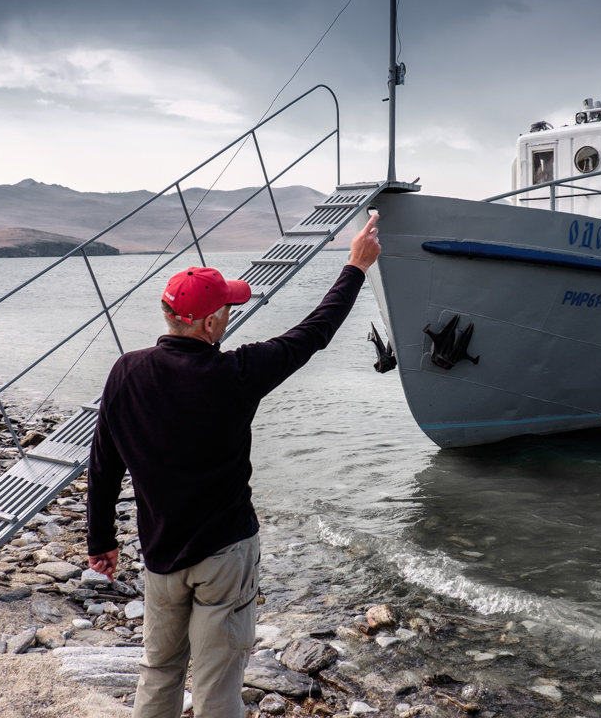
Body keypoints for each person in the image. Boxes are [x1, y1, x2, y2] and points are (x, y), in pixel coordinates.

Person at [86, 213, 381, 718]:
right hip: (225, 554)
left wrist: (102, 540)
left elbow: (104, 463)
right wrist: (355, 265)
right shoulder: (234, 374)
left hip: (161, 554)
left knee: (159, 671)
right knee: (219, 683)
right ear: (208, 323)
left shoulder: (125, 371)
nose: (230, 314)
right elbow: (314, 332)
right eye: (225, 308)